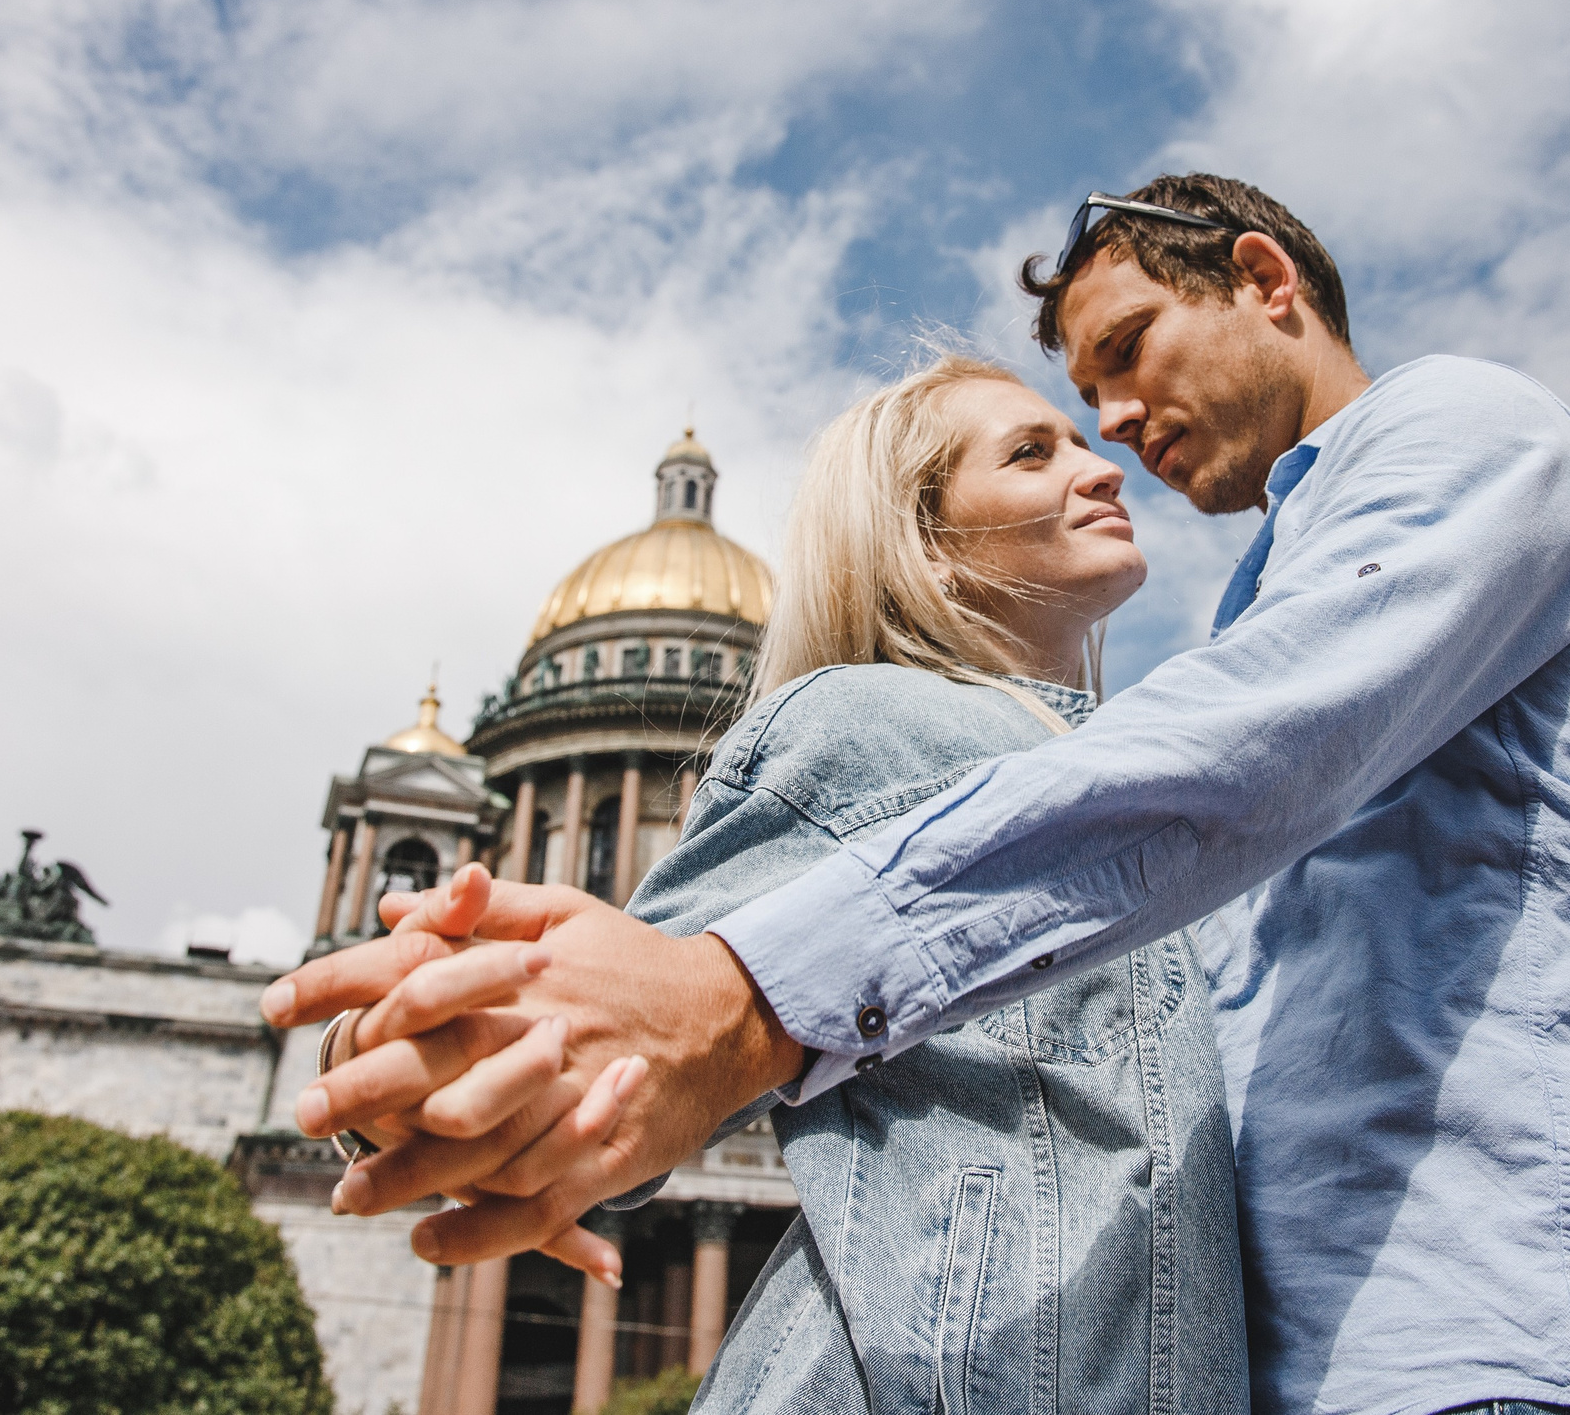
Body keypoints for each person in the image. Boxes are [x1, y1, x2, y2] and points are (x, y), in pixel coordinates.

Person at [271, 174, 1570, 1415]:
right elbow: (637, 984)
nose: (1114, 440)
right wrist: (439, 1058)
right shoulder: (916, 729)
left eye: (1123, 359)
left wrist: (726, 1006)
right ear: (928, 543)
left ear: (1268, 279)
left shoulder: (1458, 431)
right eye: (1057, 422)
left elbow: (1242, 754)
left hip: (1515, 1326)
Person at [314, 354, 1247, 1412]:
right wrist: (418, 1054)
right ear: (924, 548)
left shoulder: (1142, 763)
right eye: (1032, 453)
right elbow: (637, 1035)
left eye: (1080, 441)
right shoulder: (860, 726)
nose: (1102, 467)